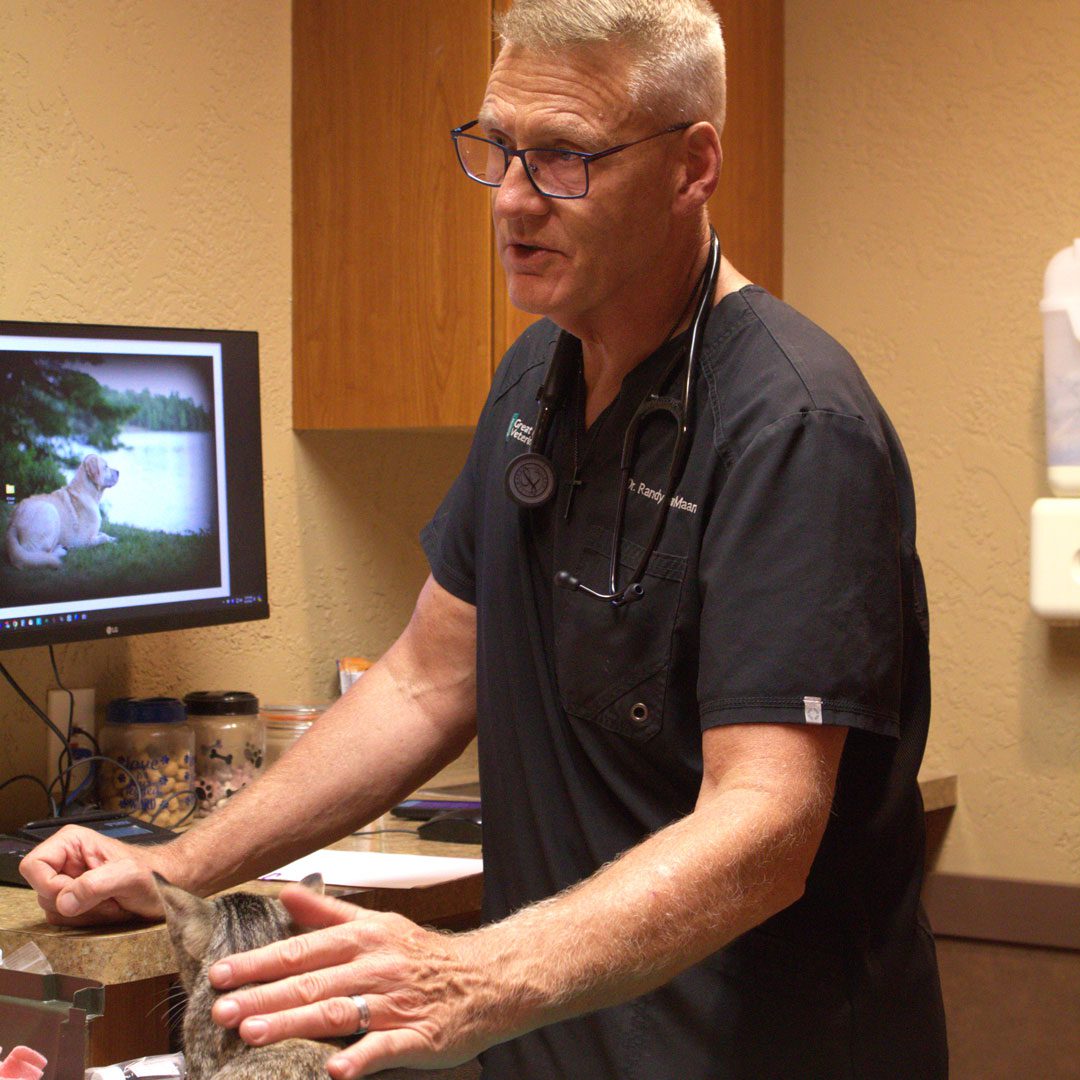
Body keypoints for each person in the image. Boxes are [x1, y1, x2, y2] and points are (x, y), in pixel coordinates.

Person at [21, 1, 948, 1077]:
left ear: (695, 165)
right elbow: (425, 678)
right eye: (499, 148)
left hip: (751, 1050)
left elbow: (765, 829)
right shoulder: (534, 380)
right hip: (558, 1042)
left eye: (563, 157)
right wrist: (177, 866)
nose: (512, 199)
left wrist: (475, 977)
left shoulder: (795, 428)